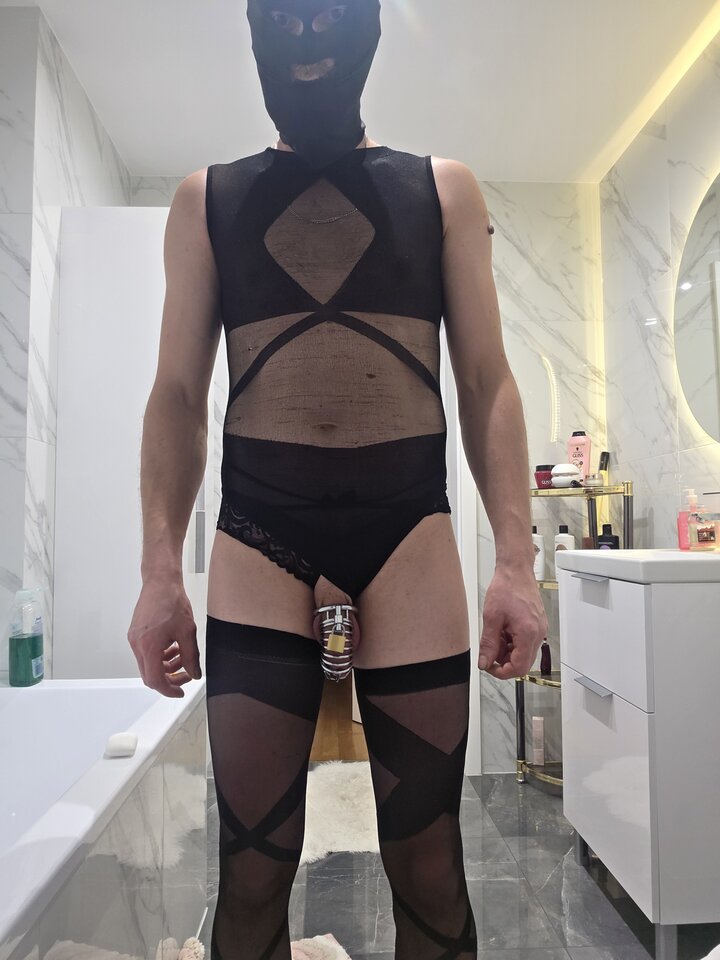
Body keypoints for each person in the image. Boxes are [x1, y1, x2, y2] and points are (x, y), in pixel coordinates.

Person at [127, 2, 547, 958]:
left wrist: (516, 563)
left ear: (370, 28)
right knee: (252, 869)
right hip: (259, 536)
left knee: (429, 862)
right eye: (281, 16)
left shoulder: (442, 189)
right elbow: (178, 394)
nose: (307, 40)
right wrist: (158, 574)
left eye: (327, 14)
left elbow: (486, 382)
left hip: (408, 533)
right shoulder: (207, 200)